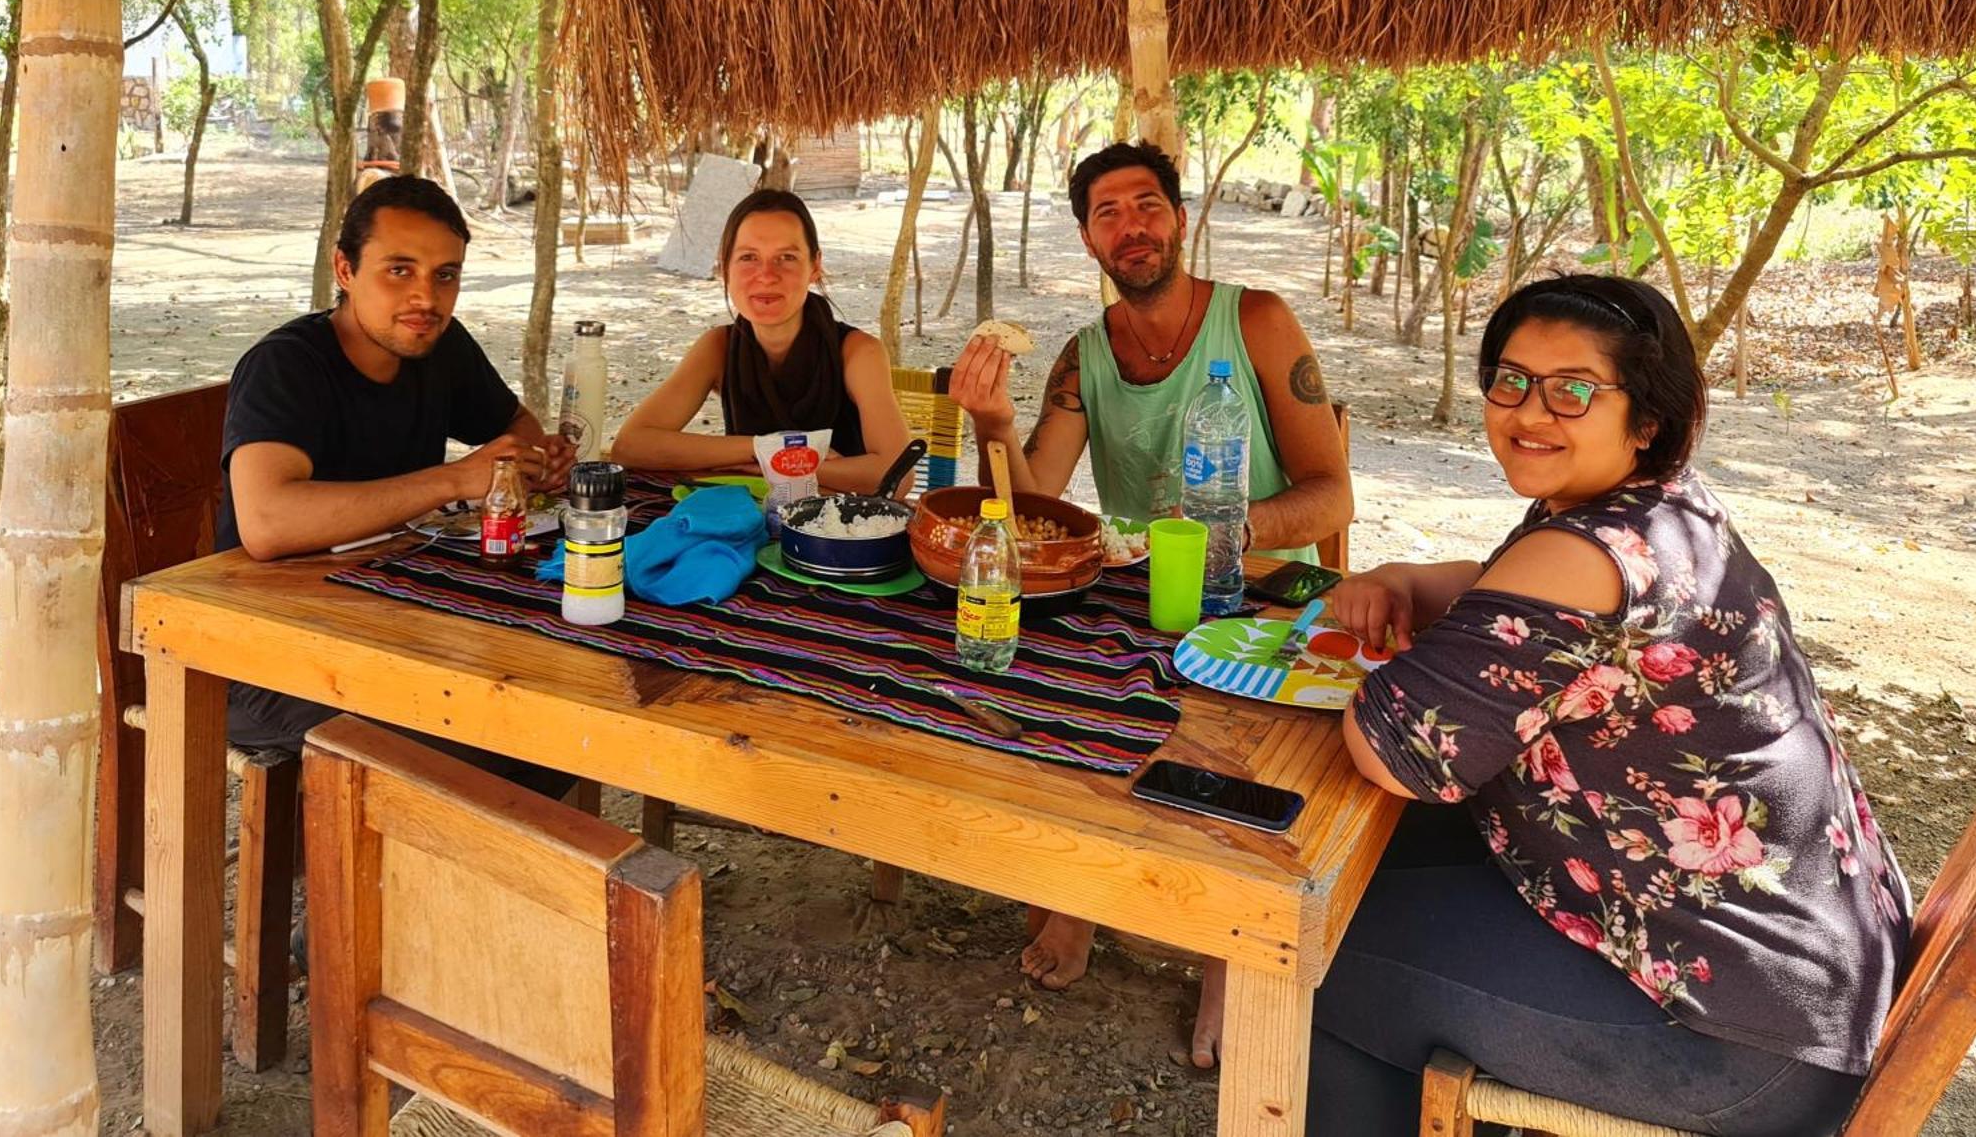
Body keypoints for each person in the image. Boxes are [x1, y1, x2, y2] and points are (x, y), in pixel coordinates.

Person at [1314, 274, 1908, 1134]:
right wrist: (1404, 580)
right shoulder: (1663, 511)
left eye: (1573, 391)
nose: (1529, 411)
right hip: (1806, 985)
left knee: (1320, 957)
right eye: (1511, 380)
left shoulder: (1584, 551)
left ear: (1647, 419)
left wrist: (1390, 670)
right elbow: (1501, 599)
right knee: (1383, 874)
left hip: (1734, 1041)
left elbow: (1398, 752)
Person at [949, 140, 1355, 1066]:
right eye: (1107, 212)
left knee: (1227, 749)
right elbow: (1031, 502)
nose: (1130, 225)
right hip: (1138, 591)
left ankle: (1227, 950)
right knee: (1039, 684)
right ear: (1089, 239)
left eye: (1146, 205)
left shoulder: (1257, 321)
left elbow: (1332, 494)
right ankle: (1081, 892)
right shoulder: (1083, 355)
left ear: (1178, 217)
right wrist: (996, 427)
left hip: (1259, 594)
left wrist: (1231, 525)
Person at [217, 175, 575, 795]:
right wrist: (452, 480)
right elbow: (267, 523)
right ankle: (367, 880)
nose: (425, 298)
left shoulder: (438, 347)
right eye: (399, 270)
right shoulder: (288, 366)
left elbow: (516, 426)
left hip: (383, 622)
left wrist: (525, 462)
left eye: (445, 275)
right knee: (485, 753)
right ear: (345, 268)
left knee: (553, 713)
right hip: (260, 656)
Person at [613, 189, 912, 493]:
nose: (767, 275)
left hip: (839, 529)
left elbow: (897, 476)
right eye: (748, 257)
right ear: (724, 267)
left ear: (815, 265)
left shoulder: (857, 352)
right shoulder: (718, 347)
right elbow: (631, 446)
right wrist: (763, 448)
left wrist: (774, 465)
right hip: (749, 525)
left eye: (787, 257)